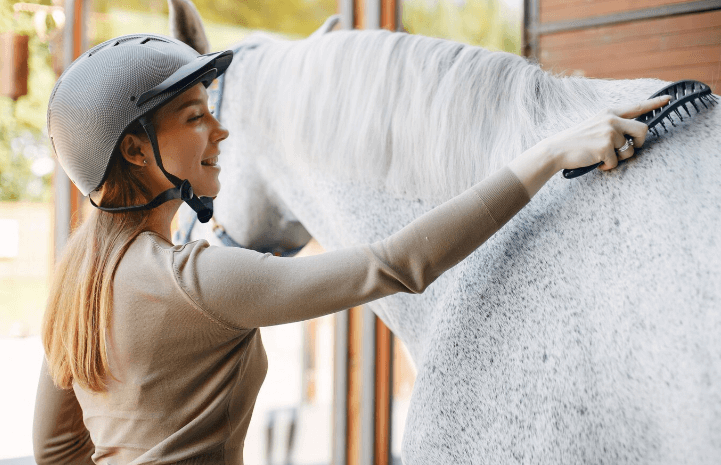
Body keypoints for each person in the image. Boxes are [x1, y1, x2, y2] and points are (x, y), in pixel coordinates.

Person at [32, 34, 670, 464]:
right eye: (196, 116)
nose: (221, 131)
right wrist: (548, 154)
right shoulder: (196, 282)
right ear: (136, 151)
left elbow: (55, 451)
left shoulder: (76, 282)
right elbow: (394, 266)